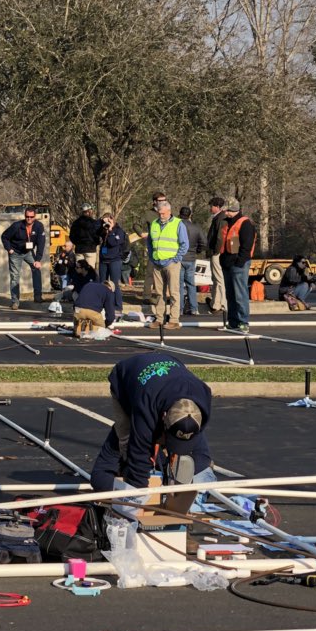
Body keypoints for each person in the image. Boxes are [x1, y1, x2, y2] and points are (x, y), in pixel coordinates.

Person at [90, 353, 215, 498]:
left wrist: (180, 485)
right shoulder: (144, 411)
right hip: (127, 379)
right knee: (127, 444)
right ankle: (127, 468)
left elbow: (202, 458)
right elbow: (134, 463)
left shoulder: (197, 410)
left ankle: (165, 472)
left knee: (193, 466)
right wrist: (137, 498)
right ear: (163, 418)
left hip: (170, 370)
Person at [146, 195, 188, 329]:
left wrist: (175, 259)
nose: (161, 215)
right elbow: (150, 243)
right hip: (157, 263)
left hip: (171, 264)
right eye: (159, 213)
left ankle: (174, 320)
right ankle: (159, 318)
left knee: (174, 292)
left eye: (163, 213)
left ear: (169, 211)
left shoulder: (178, 224)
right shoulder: (154, 224)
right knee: (159, 293)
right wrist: (152, 258)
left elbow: (184, 244)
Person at [219, 196, 256, 333]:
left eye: (226, 210)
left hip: (238, 264)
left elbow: (246, 246)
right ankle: (233, 321)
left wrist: (239, 262)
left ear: (232, 209)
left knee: (240, 294)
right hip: (228, 263)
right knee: (230, 294)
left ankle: (243, 322)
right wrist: (223, 261)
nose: (225, 213)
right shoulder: (228, 223)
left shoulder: (245, 223)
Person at [0, 206, 45, 310]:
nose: (29, 218)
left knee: (37, 269)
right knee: (15, 277)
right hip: (15, 252)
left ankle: (38, 296)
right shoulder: (17, 226)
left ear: (35, 216)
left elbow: (41, 243)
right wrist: (9, 249)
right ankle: (15, 302)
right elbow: (4, 237)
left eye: (31, 216)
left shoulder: (39, 226)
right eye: (27, 216)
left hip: (29, 252)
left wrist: (38, 259)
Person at [178, 206, 207, 316]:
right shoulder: (196, 227)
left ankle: (179, 309)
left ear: (179, 215)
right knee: (191, 284)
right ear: (190, 215)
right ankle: (194, 308)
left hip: (179, 257)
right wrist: (197, 250)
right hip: (191, 257)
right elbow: (204, 242)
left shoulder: (176, 226)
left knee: (179, 285)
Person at [97, 213, 128, 314]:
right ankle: (102, 304)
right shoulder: (103, 230)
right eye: (104, 221)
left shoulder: (119, 231)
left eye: (108, 221)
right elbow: (95, 232)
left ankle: (118, 306)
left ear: (112, 220)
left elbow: (112, 242)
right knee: (102, 283)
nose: (106, 223)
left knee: (115, 284)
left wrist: (110, 230)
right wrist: (102, 224)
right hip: (103, 260)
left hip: (115, 260)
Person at [205, 196, 227, 314]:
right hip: (216, 252)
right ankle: (216, 303)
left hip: (217, 252)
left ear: (217, 207)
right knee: (216, 278)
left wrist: (215, 251)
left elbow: (219, 237)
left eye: (211, 206)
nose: (210, 208)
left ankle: (222, 303)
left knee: (218, 278)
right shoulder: (219, 218)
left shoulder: (220, 218)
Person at [69, 203, 102, 271]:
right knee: (90, 271)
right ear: (89, 211)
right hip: (90, 249)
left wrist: (77, 243)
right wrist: (95, 243)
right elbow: (97, 235)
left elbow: (71, 236)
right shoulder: (93, 223)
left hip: (79, 250)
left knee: (79, 271)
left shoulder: (76, 223)